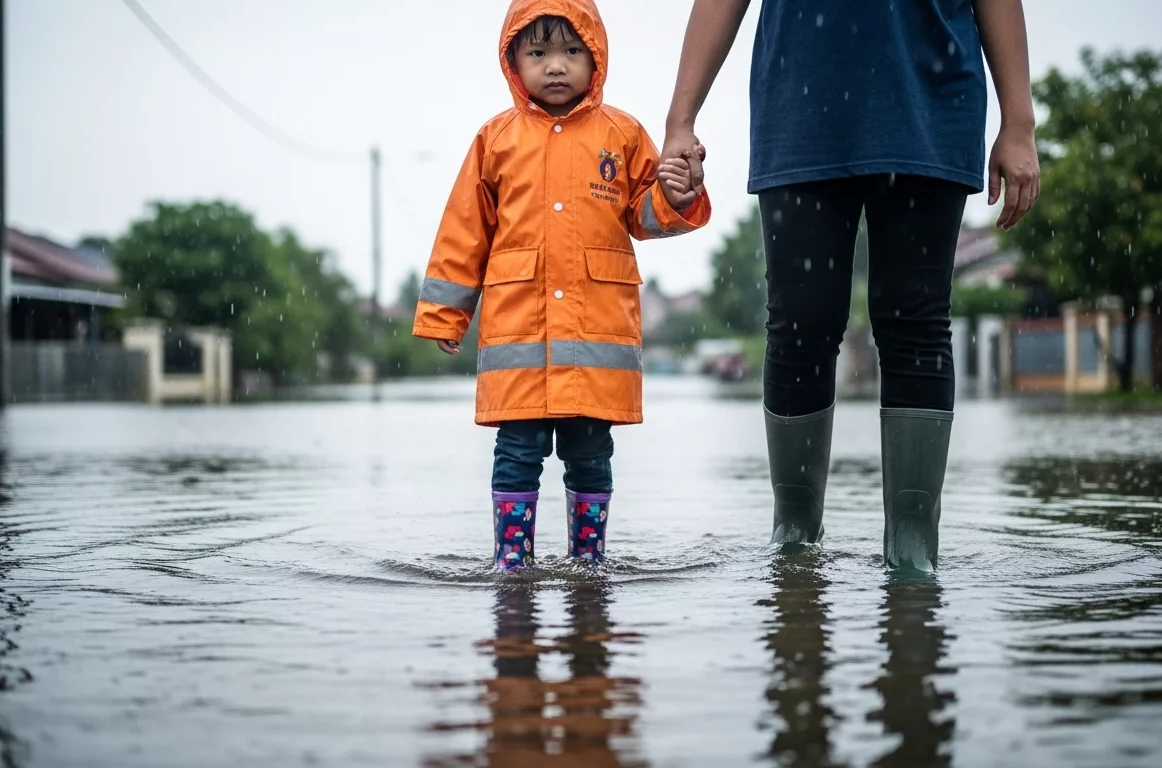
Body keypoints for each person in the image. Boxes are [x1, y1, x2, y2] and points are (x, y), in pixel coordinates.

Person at [663, 0, 1040, 569]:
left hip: (929, 98)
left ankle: (913, 550)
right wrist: (680, 121)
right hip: (800, 100)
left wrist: (1020, 121)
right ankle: (794, 538)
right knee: (799, 323)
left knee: (915, 321)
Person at [413, 0, 711, 572]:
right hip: (518, 341)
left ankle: (589, 562)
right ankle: (512, 563)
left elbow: (645, 217)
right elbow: (462, 232)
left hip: (593, 342)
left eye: (572, 51)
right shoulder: (494, 140)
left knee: (591, 454)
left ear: (595, 57)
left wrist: (676, 195)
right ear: (513, 62)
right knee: (516, 454)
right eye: (540, 52)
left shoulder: (622, 134)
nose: (556, 66)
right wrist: (444, 315)